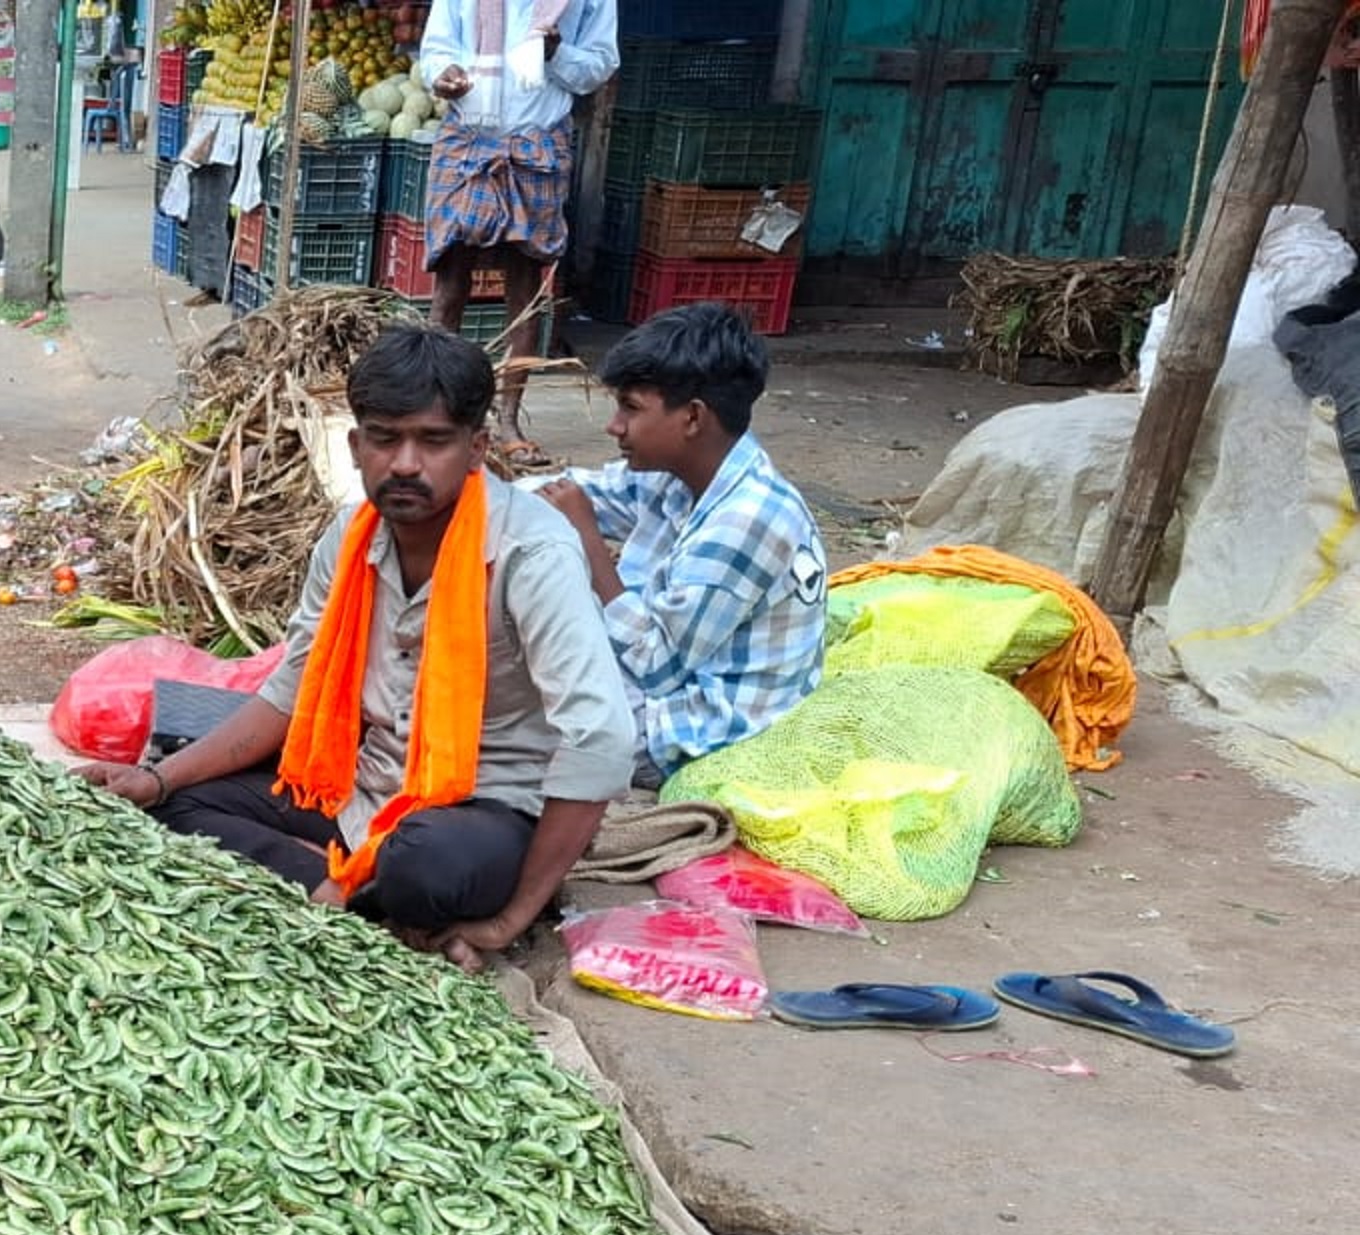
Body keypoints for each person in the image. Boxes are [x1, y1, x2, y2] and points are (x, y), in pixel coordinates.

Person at [75, 328, 638, 968]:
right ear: (354, 445)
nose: (404, 463)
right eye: (384, 438)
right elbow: (292, 690)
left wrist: (509, 921)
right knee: (177, 801)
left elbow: (602, 740)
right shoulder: (351, 537)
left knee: (422, 864)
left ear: (476, 448)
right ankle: (344, 889)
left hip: (487, 810)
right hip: (366, 793)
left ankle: (394, 890)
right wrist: (153, 779)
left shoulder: (532, 554)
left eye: (432, 441)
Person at [539, 302, 829, 782]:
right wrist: (482, 491)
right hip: (661, 681)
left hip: (692, 727)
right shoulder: (680, 473)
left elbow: (656, 666)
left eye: (630, 408)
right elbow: (577, 494)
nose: (614, 426)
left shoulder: (746, 521)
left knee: (509, 721)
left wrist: (589, 546)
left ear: (693, 418)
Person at [416, 0, 616, 452]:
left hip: (538, 144)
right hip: (467, 141)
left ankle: (507, 423)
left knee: (525, 292)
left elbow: (600, 65)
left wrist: (557, 53)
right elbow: (436, 50)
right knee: (448, 285)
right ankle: (434, 410)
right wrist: (443, 75)